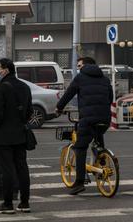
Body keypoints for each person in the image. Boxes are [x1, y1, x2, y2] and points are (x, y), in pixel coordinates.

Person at [54, 55, 113, 195]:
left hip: (88, 118)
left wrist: (59, 108)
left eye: (79, 66)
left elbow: (69, 94)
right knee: (98, 140)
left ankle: (79, 182)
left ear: (85, 66)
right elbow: (110, 98)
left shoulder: (80, 78)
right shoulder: (105, 79)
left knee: (80, 148)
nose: (78, 68)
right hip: (105, 117)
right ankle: (102, 164)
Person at [0, 58, 32, 214]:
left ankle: (7, 204)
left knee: (6, 169)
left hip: (3, 135)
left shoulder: (1, 88)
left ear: (5, 70)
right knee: (22, 167)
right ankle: (25, 203)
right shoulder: (25, 87)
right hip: (20, 133)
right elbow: (29, 111)